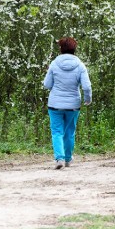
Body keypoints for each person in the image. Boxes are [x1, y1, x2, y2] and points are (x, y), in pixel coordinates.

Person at [43, 36, 92, 169]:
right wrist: (87, 99)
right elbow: (86, 87)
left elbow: (47, 85)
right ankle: (68, 158)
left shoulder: (54, 64)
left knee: (57, 132)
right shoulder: (80, 65)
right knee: (70, 132)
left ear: (61, 49)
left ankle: (60, 158)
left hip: (55, 104)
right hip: (73, 105)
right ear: (74, 49)